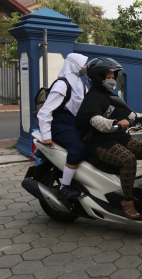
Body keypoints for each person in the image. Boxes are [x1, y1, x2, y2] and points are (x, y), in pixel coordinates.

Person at [75, 57, 142, 219]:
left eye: (113, 77)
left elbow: (129, 113)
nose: (112, 80)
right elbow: (96, 121)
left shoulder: (111, 96)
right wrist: (116, 123)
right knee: (128, 159)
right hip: (101, 142)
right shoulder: (92, 98)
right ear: (99, 78)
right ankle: (127, 201)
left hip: (120, 138)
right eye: (108, 77)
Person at [37, 53, 90, 199]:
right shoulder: (62, 84)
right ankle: (64, 186)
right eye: (84, 64)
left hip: (73, 123)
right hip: (60, 124)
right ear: (75, 64)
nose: (86, 67)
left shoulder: (80, 84)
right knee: (78, 149)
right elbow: (45, 112)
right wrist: (46, 135)